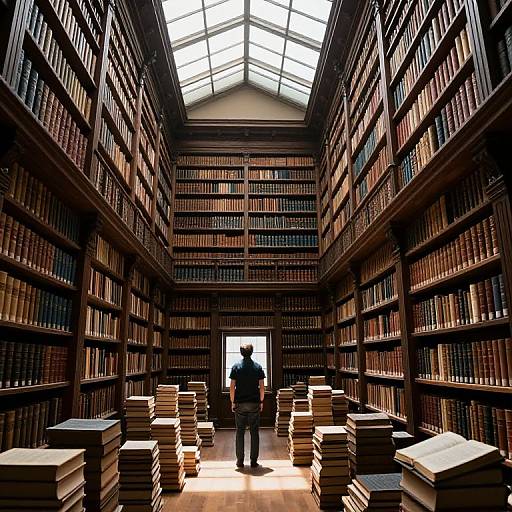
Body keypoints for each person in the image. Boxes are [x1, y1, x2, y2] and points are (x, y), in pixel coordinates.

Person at [229, 343, 265, 468]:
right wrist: (261, 401)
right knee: (254, 432)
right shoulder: (258, 367)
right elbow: (261, 387)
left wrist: (233, 401)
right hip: (254, 403)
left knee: (240, 432)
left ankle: (240, 461)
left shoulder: (235, 367)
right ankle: (254, 461)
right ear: (252, 352)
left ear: (241, 353)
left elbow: (232, 387)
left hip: (240, 403)